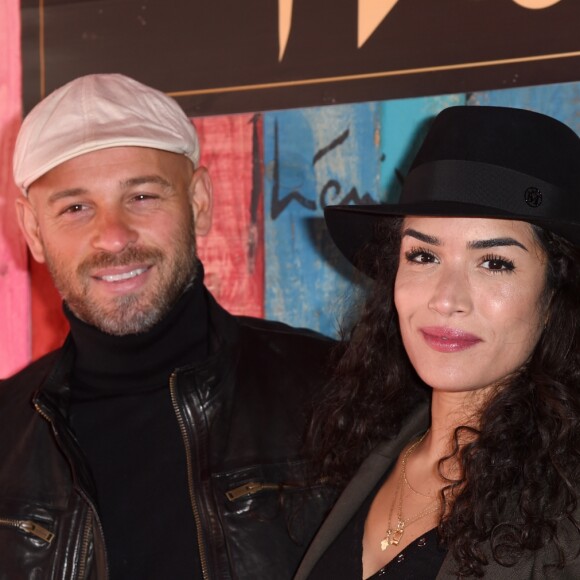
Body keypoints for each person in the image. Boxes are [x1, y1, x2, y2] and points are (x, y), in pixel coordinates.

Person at [0, 73, 334, 579]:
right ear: (33, 231)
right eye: (75, 207)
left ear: (198, 202)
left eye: (141, 197)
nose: (112, 237)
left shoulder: (338, 393)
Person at [295, 106, 580, 578]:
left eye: (494, 262)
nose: (446, 299)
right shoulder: (367, 451)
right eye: (423, 255)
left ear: (557, 294)